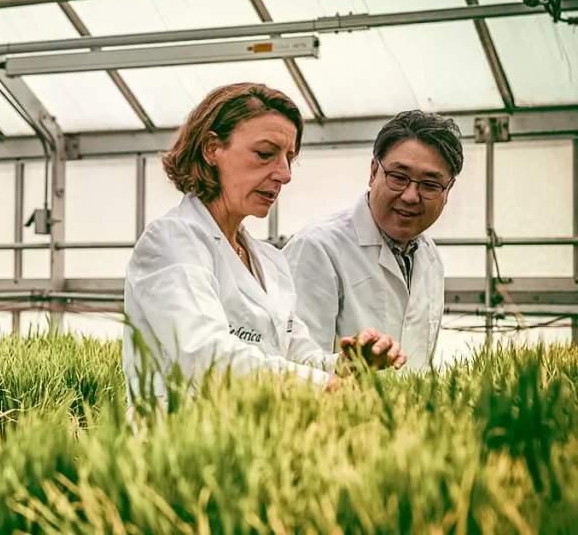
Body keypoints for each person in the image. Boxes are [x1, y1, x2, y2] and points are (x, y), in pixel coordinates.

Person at [122, 82, 406, 408]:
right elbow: (204, 356)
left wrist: (346, 365)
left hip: (249, 444)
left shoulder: (269, 260)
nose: (284, 174)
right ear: (211, 149)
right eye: (265, 154)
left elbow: (292, 353)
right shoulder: (172, 241)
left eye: (289, 158)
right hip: (176, 446)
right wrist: (323, 387)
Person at [281, 110, 463, 373]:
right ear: (373, 171)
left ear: (448, 191)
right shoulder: (317, 248)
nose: (411, 196)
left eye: (430, 185)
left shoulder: (431, 259)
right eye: (399, 177)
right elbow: (298, 367)